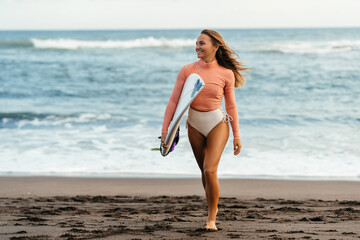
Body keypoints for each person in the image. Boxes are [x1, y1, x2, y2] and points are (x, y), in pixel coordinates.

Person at [161, 29, 248, 231]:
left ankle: (211, 218)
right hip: (194, 124)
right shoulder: (187, 70)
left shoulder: (226, 74)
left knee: (210, 169)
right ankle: (212, 206)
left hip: (217, 122)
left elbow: (232, 106)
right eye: (197, 43)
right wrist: (166, 130)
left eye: (202, 43)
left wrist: (237, 135)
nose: (197, 47)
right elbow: (174, 101)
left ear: (215, 47)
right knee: (204, 171)